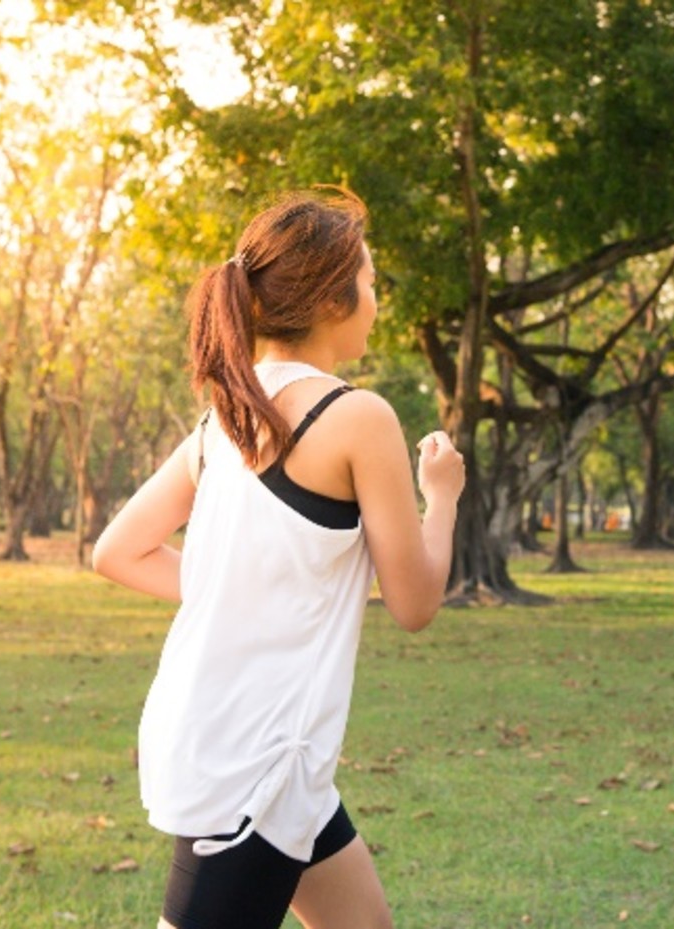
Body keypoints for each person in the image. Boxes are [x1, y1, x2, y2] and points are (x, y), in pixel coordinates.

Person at [91, 188, 464, 929]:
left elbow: (118, 551)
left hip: (263, 752)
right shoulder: (357, 416)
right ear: (332, 298)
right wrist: (442, 495)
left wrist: (239, 594)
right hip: (252, 765)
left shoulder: (223, 418)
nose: (375, 298)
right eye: (370, 281)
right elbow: (415, 602)